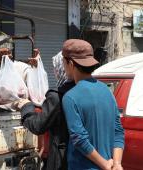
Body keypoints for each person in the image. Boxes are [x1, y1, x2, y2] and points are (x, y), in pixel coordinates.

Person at [61, 39, 124, 170]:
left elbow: (79, 139)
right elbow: (118, 131)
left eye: (63, 61)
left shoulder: (70, 97)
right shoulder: (107, 91)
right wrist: (116, 164)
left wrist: (104, 164)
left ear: (71, 63)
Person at [13, 51, 76, 170]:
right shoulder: (83, 91)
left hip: (61, 160)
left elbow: (38, 126)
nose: (54, 72)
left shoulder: (58, 97)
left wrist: (27, 107)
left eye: (55, 68)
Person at [0, 35, 37, 109]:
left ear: (11, 53)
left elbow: (35, 93)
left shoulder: (23, 68)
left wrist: (36, 68)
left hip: (17, 111)